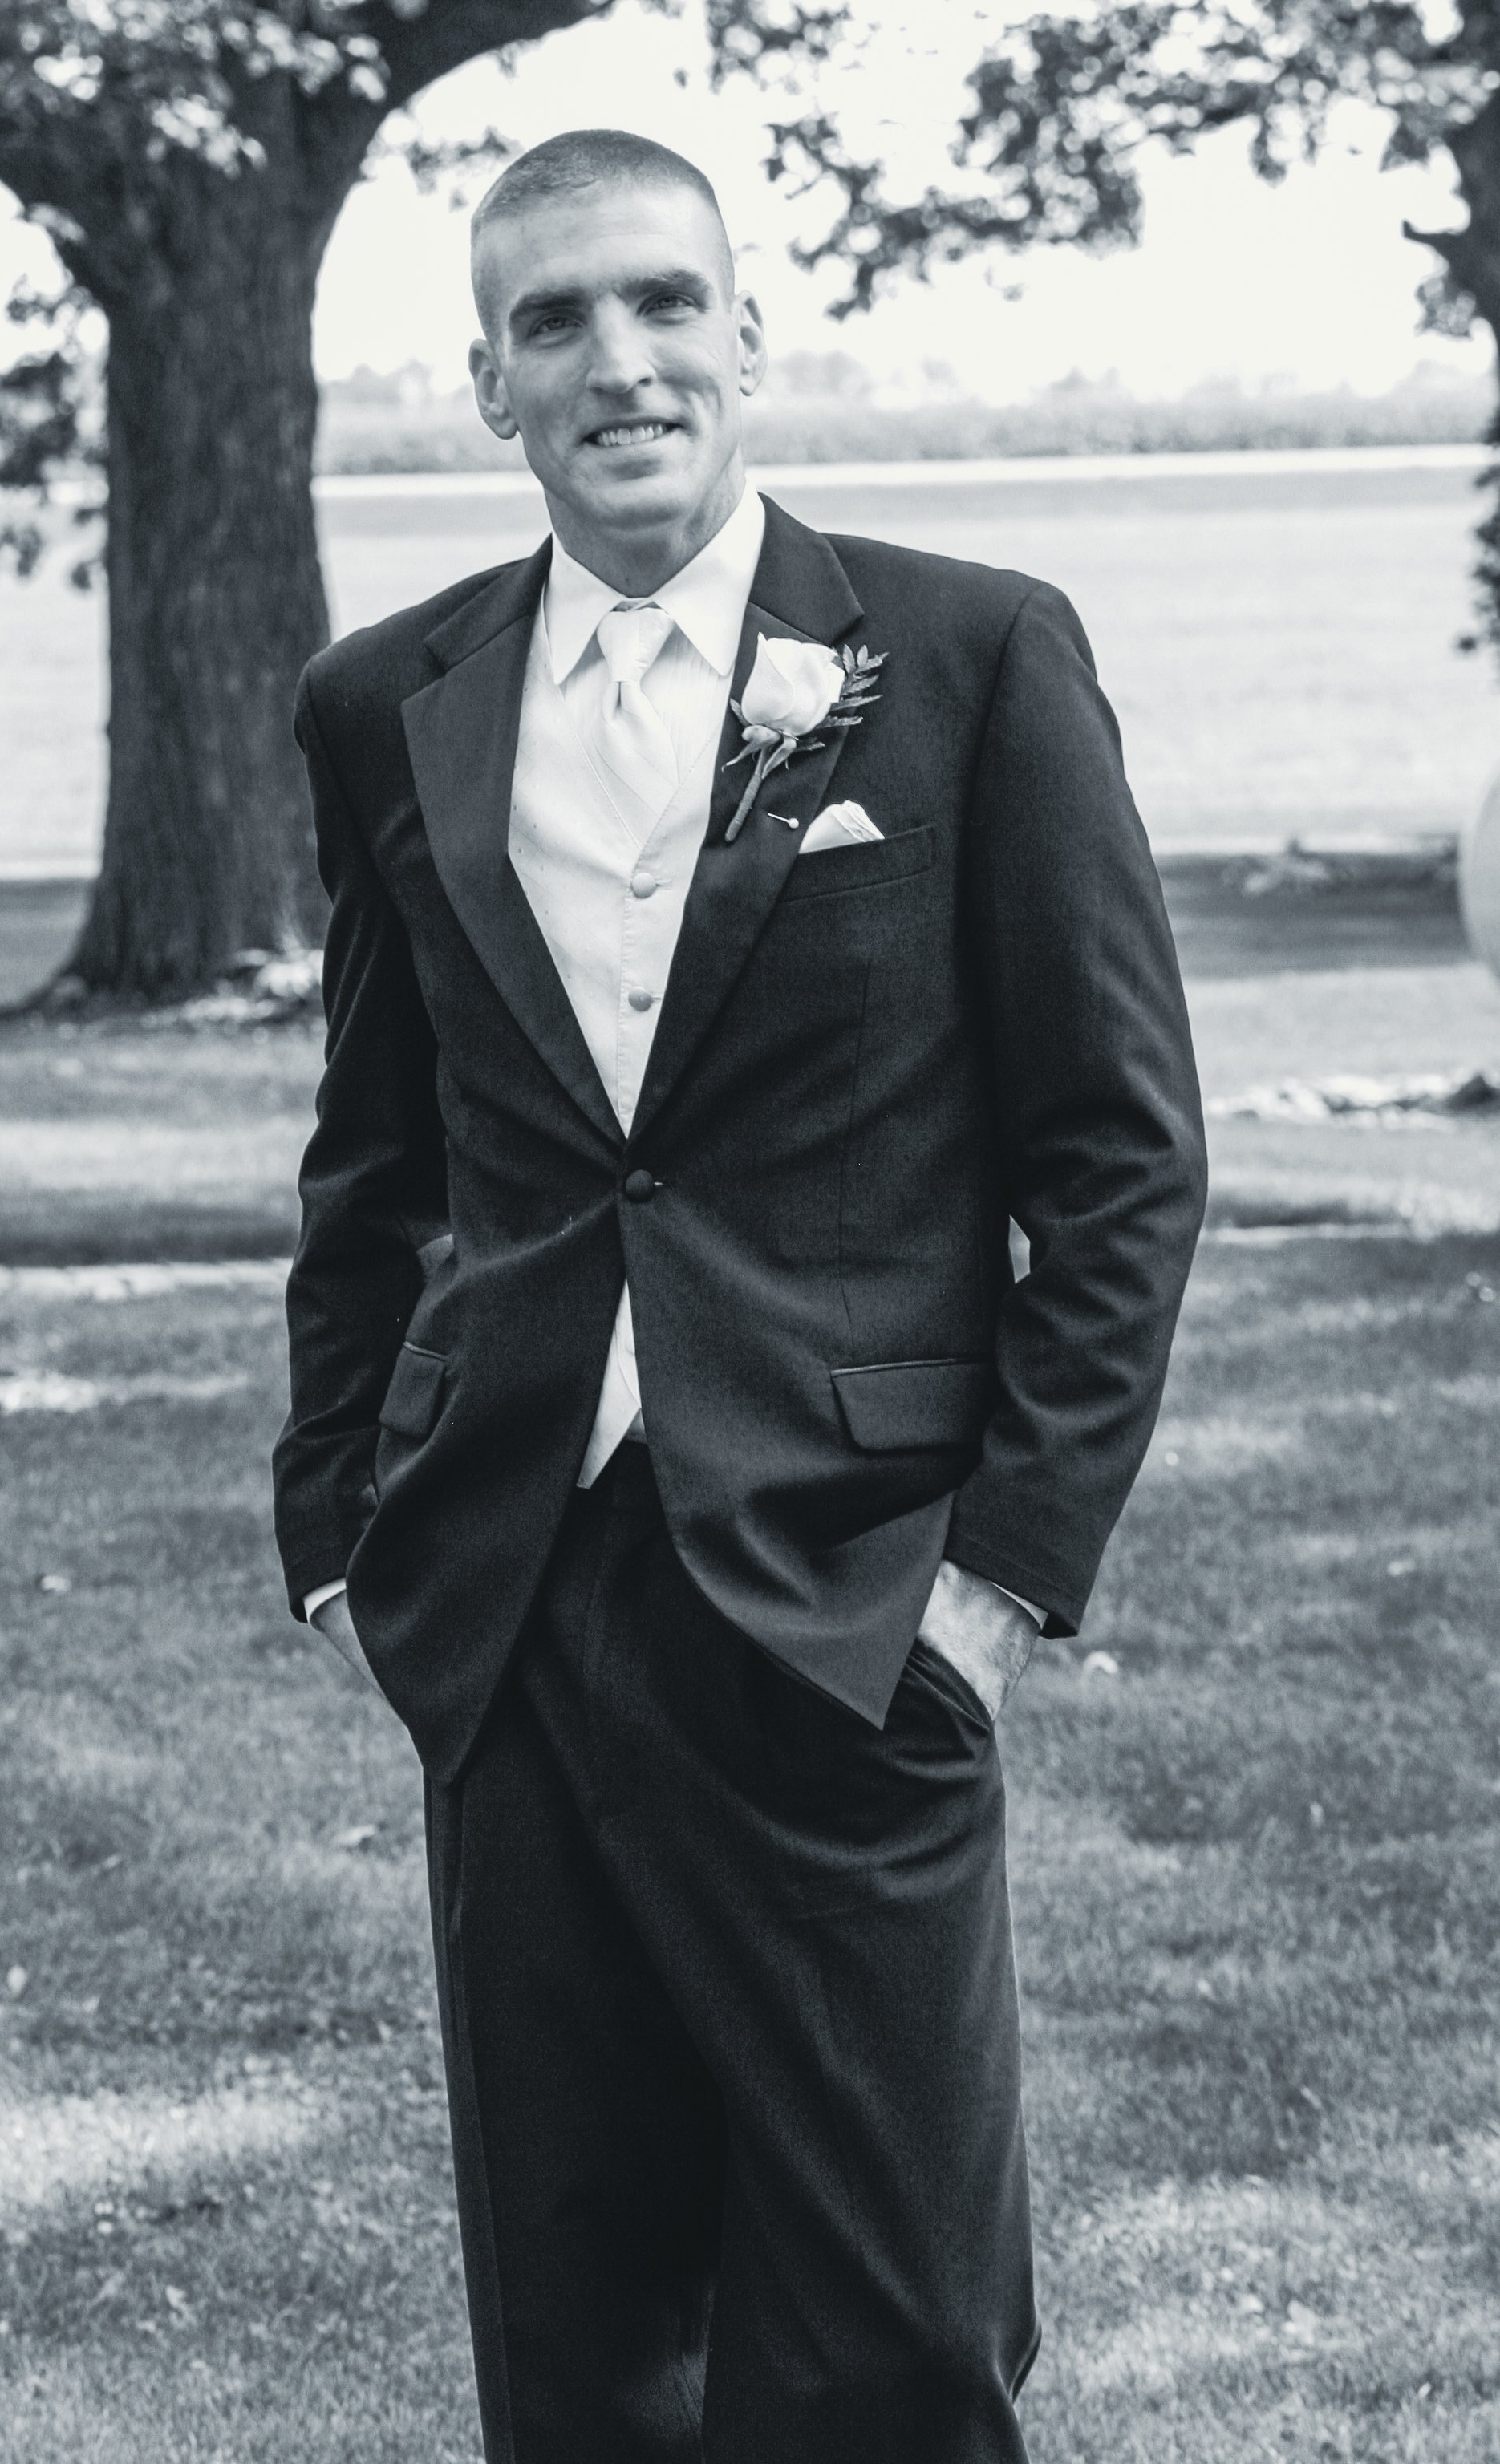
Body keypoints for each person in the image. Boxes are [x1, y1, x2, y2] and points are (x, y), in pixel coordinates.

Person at [274, 127, 1207, 2464]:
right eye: (558, 320)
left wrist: (997, 1586)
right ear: (486, 382)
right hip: (506, 1594)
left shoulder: (972, 657)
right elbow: (379, 1147)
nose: (623, 360)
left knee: (893, 2331)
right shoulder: (389, 698)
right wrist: (335, 1532)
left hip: (848, 1591)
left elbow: (1119, 1154)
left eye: (666, 302)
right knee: (583, 2342)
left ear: (749, 336)